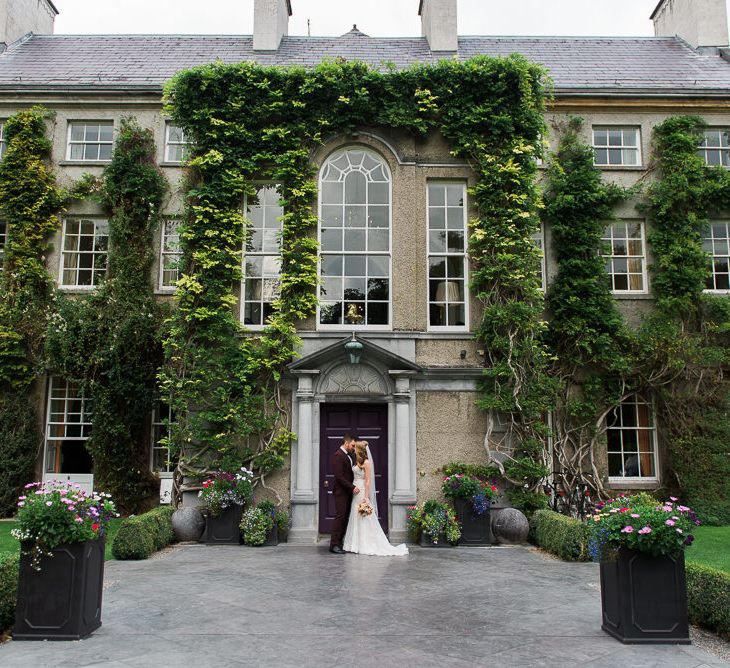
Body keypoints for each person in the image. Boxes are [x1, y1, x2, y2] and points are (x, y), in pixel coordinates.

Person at [343, 440, 408, 557]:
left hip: (362, 490)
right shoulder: (356, 460)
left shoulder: (367, 462)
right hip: (355, 490)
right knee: (355, 514)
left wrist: (366, 497)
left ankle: (365, 543)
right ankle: (354, 543)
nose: (353, 449)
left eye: (355, 448)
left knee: (364, 516)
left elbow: (368, 481)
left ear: (360, 450)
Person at [329, 433, 359, 554]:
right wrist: (352, 487)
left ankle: (340, 542)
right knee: (340, 517)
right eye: (352, 445)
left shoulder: (350, 455)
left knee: (345, 518)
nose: (353, 447)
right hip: (341, 492)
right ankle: (334, 544)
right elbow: (339, 477)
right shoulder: (338, 455)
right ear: (346, 443)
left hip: (348, 493)